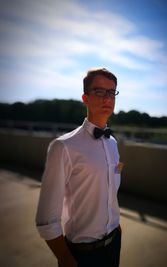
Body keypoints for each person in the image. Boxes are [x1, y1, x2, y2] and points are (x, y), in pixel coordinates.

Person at [35, 68, 122, 267]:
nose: (107, 98)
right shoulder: (63, 147)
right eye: (99, 92)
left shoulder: (113, 144)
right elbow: (46, 220)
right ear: (85, 98)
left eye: (111, 92)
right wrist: (67, 260)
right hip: (83, 256)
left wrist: (117, 231)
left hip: (115, 242)